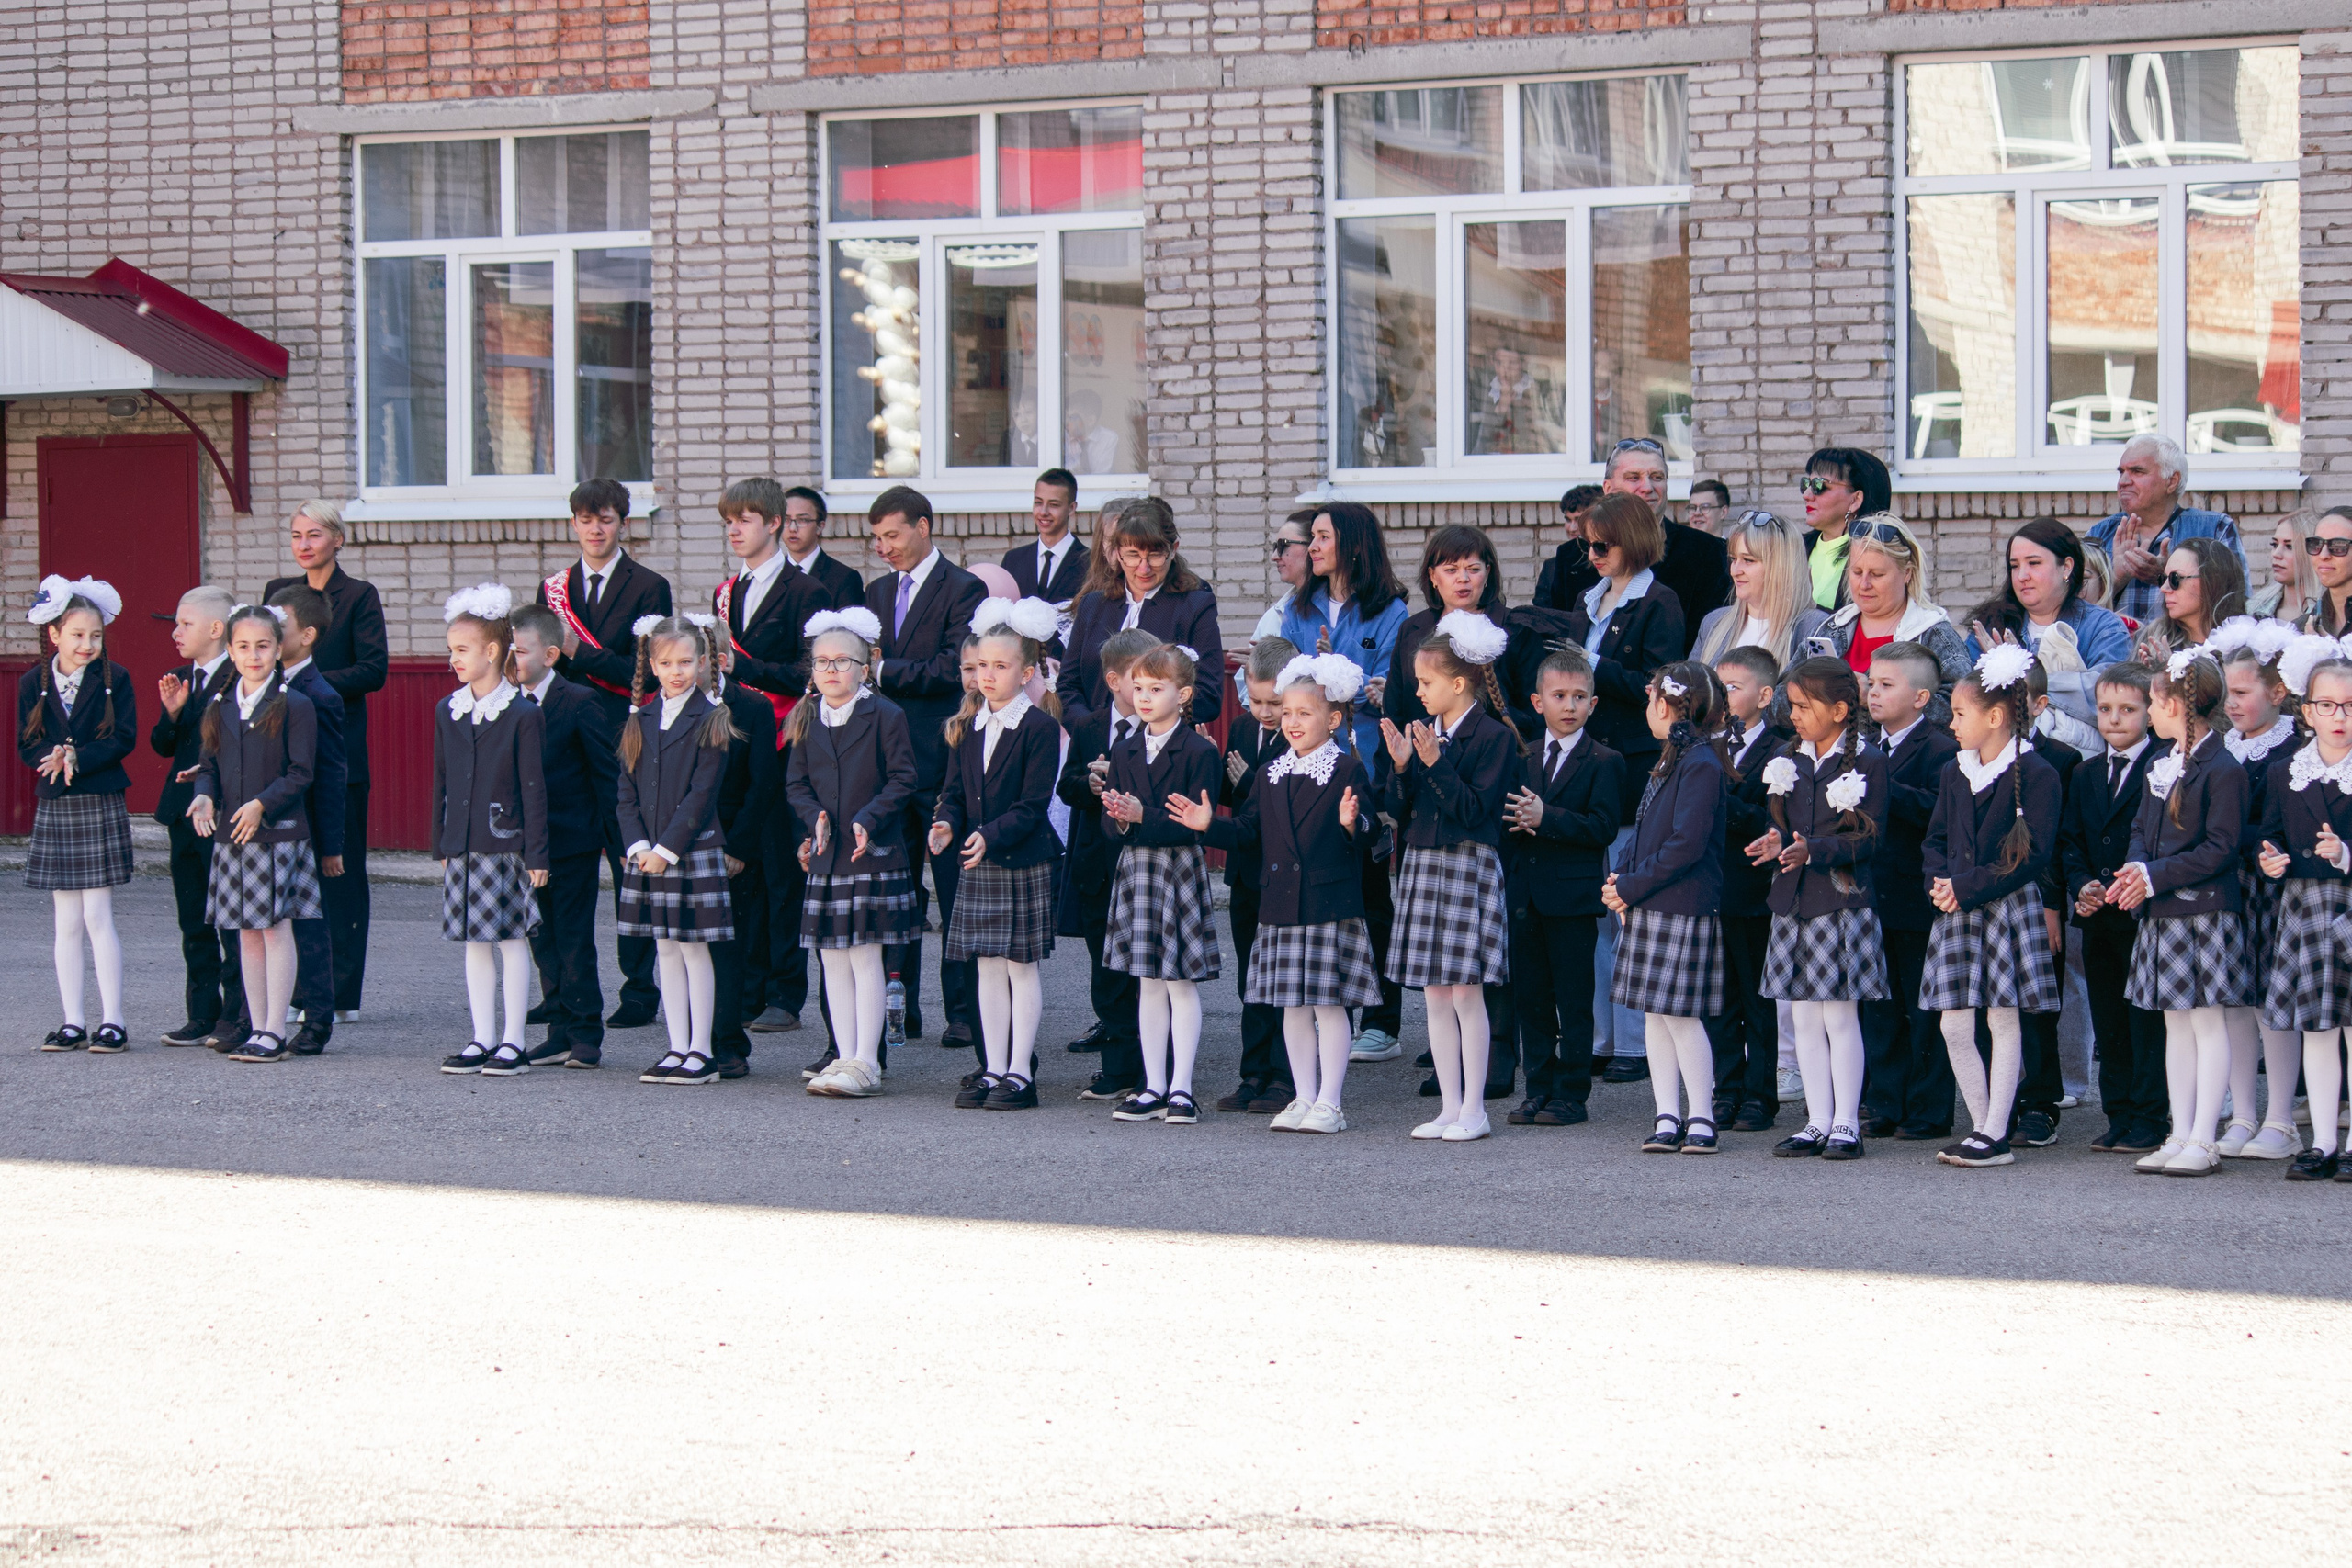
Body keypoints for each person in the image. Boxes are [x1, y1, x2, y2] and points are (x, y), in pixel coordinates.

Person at [1188, 652, 1384, 1134]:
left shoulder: (1345, 770)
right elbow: (1251, 831)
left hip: (1326, 904)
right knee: (1291, 1006)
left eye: (1305, 713)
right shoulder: (1272, 772)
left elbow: (1371, 829)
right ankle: (1302, 1095)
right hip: (1280, 903)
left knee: (1329, 1005)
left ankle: (1331, 1103)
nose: (1292, 722)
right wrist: (1210, 825)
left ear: (1333, 719)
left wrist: (1350, 823)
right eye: (1288, 712)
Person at [1919, 645, 2065, 1168]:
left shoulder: (2038, 773)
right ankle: (1983, 1125)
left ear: (1996, 717)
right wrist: (1940, 881)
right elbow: (1935, 837)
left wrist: (1968, 886)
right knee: (1954, 1024)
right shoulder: (1955, 771)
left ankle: (1995, 1132)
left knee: (2003, 1018)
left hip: (2004, 907)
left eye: (1960, 714)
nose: (1952, 724)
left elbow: (2031, 856)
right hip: (1956, 905)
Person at [537, 478, 673, 1029]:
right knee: (557, 863)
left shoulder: (649, 586)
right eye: (586, 520)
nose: (596, 529)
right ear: (573, 524)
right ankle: (558, 987)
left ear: (624, 523)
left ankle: (639, 990)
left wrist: (578, 653)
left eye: (607, 519)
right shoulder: (555, 587)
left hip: (625, 733)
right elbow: (545, 661)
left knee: (629, 860)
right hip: (563, 738)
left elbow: (640, 674)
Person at [2109, 650, 2250, 1177]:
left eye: (2151, 701)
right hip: (2162, 913)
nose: (2147, 710)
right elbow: (2142, 830)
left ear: (2174, 704)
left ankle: (2205, 1139)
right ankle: (2179, 1132)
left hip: (2205, 915)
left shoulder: (2222, 768)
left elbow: (2221, 848)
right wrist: (2135, 870)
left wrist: (2155, 875)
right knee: (2176, 1028)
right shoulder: (2161, 762)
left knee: (2207, 1025)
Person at [1381, 611, 1517, 1144]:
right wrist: (1400, 767)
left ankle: (1476, 1109)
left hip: (1467, 863)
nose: (1418, 691)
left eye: (1426, 682)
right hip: (1423, 863)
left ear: (1459, 684)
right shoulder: (1425, 733)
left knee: (1466, 992)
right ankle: (1449, 1104)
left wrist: (1435, 762)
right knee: (1435, 993)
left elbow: (1474, 810)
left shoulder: (1493, 737)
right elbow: (1401, 809)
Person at [1563, 492, 1685, 1079]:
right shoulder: (1593, 599)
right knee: (1593, 912)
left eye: (1602, 544)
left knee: (1625, 903)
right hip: (1589, 762)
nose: (1592, 554)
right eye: (1587, 544)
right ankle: (1601, 1038)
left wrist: (1590, 670)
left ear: (1632, 539)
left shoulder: (1658, 600)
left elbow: (1658, 683)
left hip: (1631, 761)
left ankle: (1635, 1043)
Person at [862, 485, 988, 1048]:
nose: (884, 548)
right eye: (877, 538)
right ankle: (899, 1009)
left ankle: (962, 1013)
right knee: (896, 895)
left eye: (893, 535)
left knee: (955, 893)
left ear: (924, 526)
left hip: (941, 763)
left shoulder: (965, 588)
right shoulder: (876, 589)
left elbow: (949, 668)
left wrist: (885, 670)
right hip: (889, 767)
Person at [1750, 658, 1889, 1160]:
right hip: (1793, 900)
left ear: (1839, 709)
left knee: (1839, 1016)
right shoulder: (1790, 759)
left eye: (1805, 707)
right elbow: (1787, 828)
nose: (1795, 715)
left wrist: (1816, 849)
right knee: (1804, 1017)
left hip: (1839, 900)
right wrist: (1776, 841)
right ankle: (1816, 1120)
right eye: (1792, 706)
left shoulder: (1867, 760)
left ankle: (1847, 1124)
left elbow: (1871, 839)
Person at [931, 599, 1066, 1109]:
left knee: (1019, 965)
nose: (988, 675)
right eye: (981, 665)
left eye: (1001, 666)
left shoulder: (1038, 728)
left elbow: (1033, 805)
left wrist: (989, 833)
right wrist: (945, 823)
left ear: (1026, 672)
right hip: (978, 861)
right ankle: (992, 1067)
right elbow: (954, 793)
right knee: (987, 966)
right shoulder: (966, 726)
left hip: (1022, 859)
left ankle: (1020, 1074)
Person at [263, 499, 386, 1023]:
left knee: (340, 870)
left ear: (338, 539)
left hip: (339, 752)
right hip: (284, 755)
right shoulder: (276, 595)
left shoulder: (358, 596)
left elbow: (373, 670)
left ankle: (341, 993)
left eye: (315, 534)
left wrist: (307, 686)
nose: (305, 544)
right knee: (290, 874)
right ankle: (297, 990)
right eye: (296, 535)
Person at [789, 607, 920, 1100]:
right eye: (821, 662)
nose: (830, 670)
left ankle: (867, 1060)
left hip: (872, 854)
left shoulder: (886, 714)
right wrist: (812, 817)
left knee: (865, 958)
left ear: (865, 668)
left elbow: (904, 778)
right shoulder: (806, 715)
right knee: (831, 960)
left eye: (843, 661)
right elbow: (796, 783)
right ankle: (844, 1055)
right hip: (827, 856)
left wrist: (869, 816)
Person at [714, 478, 828, 1037]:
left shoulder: (807, 592)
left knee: (784, 871)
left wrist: (745, 668)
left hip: (788, 739)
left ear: (776, 523)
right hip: (737, 740)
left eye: (747, 519)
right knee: (744, 866)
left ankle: (786, 991)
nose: (736, 529)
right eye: (730, 520)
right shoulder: (728, 590)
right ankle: (750, 987)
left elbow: (811, 673)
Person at [1604, 659, 1732, 1154]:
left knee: (1680, 1015)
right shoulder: (1671, 757)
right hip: (1651, 899)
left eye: (1651, 697)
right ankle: (1666, 1114)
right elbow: (1644, 831)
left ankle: (1701, 1116)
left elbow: (1687, 844)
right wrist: (1620, 879)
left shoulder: (1700, 761)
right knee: (1655, 1015)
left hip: (1681, 903)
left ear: (1669, 704)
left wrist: (1632, 886)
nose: (1646, 707)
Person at [188, 603, 322, 1065]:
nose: (253, 655)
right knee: (246, 932)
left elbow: (302, 772)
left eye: (263, 646)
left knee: (275, 928)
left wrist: (263, 803)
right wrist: (205, 795)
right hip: (232, 837)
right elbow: (208, 766)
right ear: (229, 650)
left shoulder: (295, 704)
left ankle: (274, 1029)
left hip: (277, 836)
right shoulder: (220, 705)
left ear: (278, 649)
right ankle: (257, 1024)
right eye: (243, 647)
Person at [1098, 643, 1223, 1125]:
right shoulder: (1124, 747)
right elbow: (1112, 822)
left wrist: (1140, 815)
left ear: (1183, 693)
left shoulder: (1197, 750)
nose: (1144, 697)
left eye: (1156, 688)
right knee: (1147, 981)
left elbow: (1193, 822)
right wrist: (1122, 820)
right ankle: (1151, 1085)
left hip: (1177, 868)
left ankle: (1182, 1088)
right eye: (1139, 688)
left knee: (1179, 982)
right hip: (1137, 869)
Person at [1500, 648, 1624, 1128]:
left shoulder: (1604, 760)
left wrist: (1546, 818)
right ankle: (1537, 1088)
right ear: (1537, 702)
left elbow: (1603, 827)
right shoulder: (1523, 755)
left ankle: (1571, 1093)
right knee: (1532, 999)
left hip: (1572, 900)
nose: (1569, 706)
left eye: (1579, 697)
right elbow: (1508, 820)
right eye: (1559, 696)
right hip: (1527, 896)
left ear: (1594, 704)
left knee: (1574, 999)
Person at [614, 615, 739, 1087]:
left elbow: (703, 794)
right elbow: (624, 791)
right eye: (666, 663)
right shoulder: (639, 718)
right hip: (647, 853)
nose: (677, 671)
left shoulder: (712, 716)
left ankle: (701, 1052)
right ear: (651, 664)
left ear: (704, 662)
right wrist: (639, 845)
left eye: (686, 662)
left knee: (694, 950)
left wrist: (666, 849)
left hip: (691, 851)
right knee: (665, 948)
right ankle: (675, 1045)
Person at [430, 585, 548, 1077]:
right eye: (452, 650)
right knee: (474, 942)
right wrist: (440, 838)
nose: (453, 659)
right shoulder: (448, 709)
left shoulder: (522, 713)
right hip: (462, 844)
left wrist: (536, 853)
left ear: (493, 651)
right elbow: (440, 778)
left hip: (506, 847)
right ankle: (482, 1037)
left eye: (462, 650)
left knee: (511, 939)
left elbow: (535, 789)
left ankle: (513, 1042)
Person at [19, 575, 135, 1055]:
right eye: (77, 635)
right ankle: (73, 1021)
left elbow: (122, 738)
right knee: (65, 920)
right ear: (54, 634)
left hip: (98, 798)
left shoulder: (116, 679)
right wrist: (52, 757)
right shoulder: (34, 682)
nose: (87, 645)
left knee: (97, 914)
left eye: (96, 636)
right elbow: (28, 744)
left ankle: (114, 1021)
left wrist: (77, 757)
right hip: (57, 803)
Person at [1858, 643, 1962, 1141]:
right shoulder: (1864, 747)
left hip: (1917, 897)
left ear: (1921, 697)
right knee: (1879, 1004)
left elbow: (1938, 813)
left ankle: (1928, 1107)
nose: (1874, 693)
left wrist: (1881, 788)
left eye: (1887, 685)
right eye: (1872, 683)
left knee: (1924, 1007)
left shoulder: (1941, 749)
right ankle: (1884, 1100)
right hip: (1870, 893)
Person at [2062, 662, 2166, 1153]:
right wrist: (2081, 882)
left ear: (2150, 712)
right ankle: (2119, 1113)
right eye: (2105, 709)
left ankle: (2150, 1116)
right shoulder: (2084, 773)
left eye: (2128, 709)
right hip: (2099, 916)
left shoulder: (2163, 766)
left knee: (2144, 1017)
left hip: (2144, 914)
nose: (2114, 719)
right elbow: (2071, 839)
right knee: (2108, 1014)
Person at [1055, 627, 1161, 1101]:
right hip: (1099, 867)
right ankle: (1117, 1068)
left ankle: (1157, 1068)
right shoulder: (1090, 726)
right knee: (1109, 974)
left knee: (1151, 972)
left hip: (1148, 866)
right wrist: (1090, 787)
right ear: (1115, 681)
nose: (1148, 691)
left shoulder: (1166, 726)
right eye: (1142, 680)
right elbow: (1066, 787)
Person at [2260, 641, 2352, 1180]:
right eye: (2327, 705)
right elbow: (2269, 833)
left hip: (2349, 904)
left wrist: (2346, 853)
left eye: (2350, 706)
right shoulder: (2286, 772)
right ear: (2307, 709)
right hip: (2303, 908)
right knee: (2316, 1030)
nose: (2339, 717)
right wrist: (2269, 858)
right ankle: (2319, 1141)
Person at [511, 604, 616, 1069]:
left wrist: (617, 840)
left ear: (550, 655)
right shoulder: (506, 705)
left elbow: (604, 774)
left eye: (518, 651)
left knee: (573, 936)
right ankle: (557, 1026)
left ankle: (585, 1031)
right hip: (522, 844)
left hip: (571, 841)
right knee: (541, 936)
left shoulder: (578, 701)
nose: (510, 660)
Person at [2215, 632, 2301, 1160]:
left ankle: (2281, 1119)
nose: (2232, 703)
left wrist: (2226, 837)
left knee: (2274, 1004)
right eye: (2227, 692)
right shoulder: (2223, 748)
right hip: (2231, 889)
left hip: (2274, 890)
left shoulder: (2294, 750)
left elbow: (2279, 829)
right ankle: (2243, 1114)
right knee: (2235, 1006)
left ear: (2277, 692)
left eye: (2244, 692)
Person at [152, 585, 243, 1047]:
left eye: (185, 623)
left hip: (222, 812)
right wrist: (173, 715)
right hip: (182, 813)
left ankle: (235, 1015)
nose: (176, 632)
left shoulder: (240, 673)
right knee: (194, 920)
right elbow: (162, 745)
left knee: (229, 919)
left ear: (215, 628)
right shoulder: (177, 677)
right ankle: (200, 1013)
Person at [1213, 637, 1298, 1116]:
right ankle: (1253, 1074)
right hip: (1246, 872)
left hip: (1285, 874)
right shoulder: (1244, 729)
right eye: (1256, 699)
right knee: (1252, 978)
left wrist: (1249, 782)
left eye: (1275, 702)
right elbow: (1230, 794)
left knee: (1283, 979)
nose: (1265, 712)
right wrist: (1211, 761)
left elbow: (1280, 804)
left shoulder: (1300, 733)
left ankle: (1285, 1077)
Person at [265, 585, 350, 1057]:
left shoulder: (319, 694)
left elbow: (331, 775)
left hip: (307, 827)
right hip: (265, 828)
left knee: (309, 924)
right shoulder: (262, 686)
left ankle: (318, 1018)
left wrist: (331, 844)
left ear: (307, 635)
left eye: (281, 628)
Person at [1058, 496, 1224, 729]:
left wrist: (1146, 724)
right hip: (1093, 743)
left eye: (1155, 555)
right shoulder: (1093, 605)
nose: (1143, 568)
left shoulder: (1195, 605)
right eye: (1133, 555)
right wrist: (1091, 729)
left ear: (1173, 549)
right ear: (1117, 552)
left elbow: (1209, 695)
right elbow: (1068, 685)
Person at [1711, 646, 1790, 1131]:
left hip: (1754, 891)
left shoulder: (1780, 750)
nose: (1722, 697)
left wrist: (1719, 798)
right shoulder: (1702, 744)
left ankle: (1761, 1095)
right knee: (1718, 999)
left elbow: (1772, 819)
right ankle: (1726, 1089)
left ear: (1764, 696)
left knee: (1758, 1001)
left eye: (1732, 688)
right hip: (1711, 891)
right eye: (1717, 687)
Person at [1962, 519, 2135, 727]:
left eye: (2034, 563)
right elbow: (1969, 698)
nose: (2022, 576)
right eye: (2014, 566)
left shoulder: (2103, 626)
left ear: (2067, 568)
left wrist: (2024, 679)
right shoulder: (1992, 626)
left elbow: (2108, 696)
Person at [1279, 502, 1409, 763]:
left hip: (1366, 760)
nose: (1312, 547)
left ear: (1356, 546)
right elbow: (1285, 687)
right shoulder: (1296, 608)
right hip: (1304, 757)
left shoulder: (1391, 612)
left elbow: (1387, 692)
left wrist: (1333, 667)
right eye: (1312, 537)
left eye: (1324, 538)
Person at [707, 643, 784, 1079]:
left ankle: (728, 1043)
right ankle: (690, 1042)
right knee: (685, 950)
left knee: (730, 947)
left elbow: (763, 781)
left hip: (732, 843)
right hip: (677, 847)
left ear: (714, 659)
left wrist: (738, 846)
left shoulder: (749, 705)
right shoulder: (656, 708)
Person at [2085, 435, 2246, 628]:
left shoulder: (2214, 529)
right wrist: (2114, 580)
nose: (2124, 481)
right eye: (2121, 472)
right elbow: (2075, 613)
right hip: (2116, 655)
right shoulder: (2100, 533)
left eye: (2137, 471)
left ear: (2172, 481)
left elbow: (2234, 608)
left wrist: (2168, 577)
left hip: (2187, 653)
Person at [1825, 514, 1970, 716]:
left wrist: (1878, 699)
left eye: (1877, 574)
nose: (1864, 584)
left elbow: (1964, 706)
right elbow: (1779, 699)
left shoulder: (1934, 633)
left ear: (1907, 573)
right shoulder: (1831, 628)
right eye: (1857, 572)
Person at [1690, 509, 1832, 674]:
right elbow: (1690, 688)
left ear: (1781, 567)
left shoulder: (1816, 627)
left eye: (1748, 560)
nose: (1735, 570)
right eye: (1733, 559)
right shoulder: (1713, 623)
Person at [1795, 448, 1892, 612]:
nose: (1807, 494)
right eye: (1806, 484)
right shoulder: (1794, 548)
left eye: (1819, 485)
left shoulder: (1875, 556)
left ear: (1855, 500)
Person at [2132, 537, 2246, 662]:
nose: (2164, 588)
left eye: (2175, 579)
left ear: (2212, 581)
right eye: (2162, 579)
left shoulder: (2248, 643)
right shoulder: (2152, 638)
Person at [1003, 469, 1091, 611]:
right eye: (1038, 502)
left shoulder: (1091, 563)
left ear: (1071, 508)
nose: (1043, 512)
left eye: (1054, 505)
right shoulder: (1013, 560)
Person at [780, 486, 868, 612]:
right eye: (786, 520)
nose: (793, 528)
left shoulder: (844, 578)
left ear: (820, 527)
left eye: (802, 520)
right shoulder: (773, 573)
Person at [1252, 510, 1317, 643]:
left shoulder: (1340, 610)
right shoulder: (1274, 615)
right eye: (1275, 547)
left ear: (1313, 547)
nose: (1274, 557)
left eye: (1284, 546)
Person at [2250, 510, 2320, 623]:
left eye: (2289, 546)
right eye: (2275, 545)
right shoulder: (2254, 608)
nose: (2276, 554)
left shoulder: (2329, 614)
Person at [2302, 507, 2352, 635]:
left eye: (2338, 546)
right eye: (2316, 544)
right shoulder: (2305, 626)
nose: (2323, 555)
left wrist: (2325, 652)